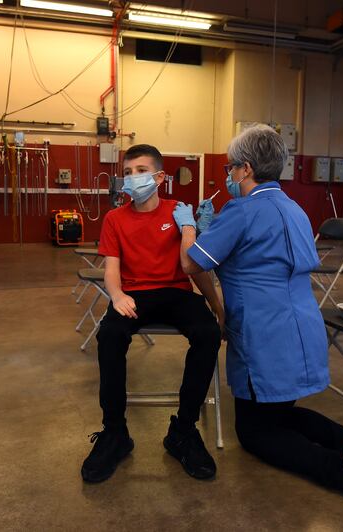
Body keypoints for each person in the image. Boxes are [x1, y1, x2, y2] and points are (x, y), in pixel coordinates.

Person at [174, 125, 343, 520]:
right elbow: (255, 250)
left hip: (264, 332)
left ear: (244, 169)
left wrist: (189, 226)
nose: (228, 175)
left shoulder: (240, 210)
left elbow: (192, 262)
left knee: (256, 434)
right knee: (281, 414)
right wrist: (213, 230)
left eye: (230, 168)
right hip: (302, 325)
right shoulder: (294, 208)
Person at [81, 144, 224, 484]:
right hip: (134, 294)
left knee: (207, 333)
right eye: (127, 173)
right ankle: (115, 433)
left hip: (176, 293)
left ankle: (183, 431)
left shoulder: (179, 213)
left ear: (159, 177)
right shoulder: (115, 219)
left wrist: (218, 308)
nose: (133, 179)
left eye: (141, 171)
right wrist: (116, 295)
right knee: (110, 335)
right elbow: (111, 268)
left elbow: (196, 268)